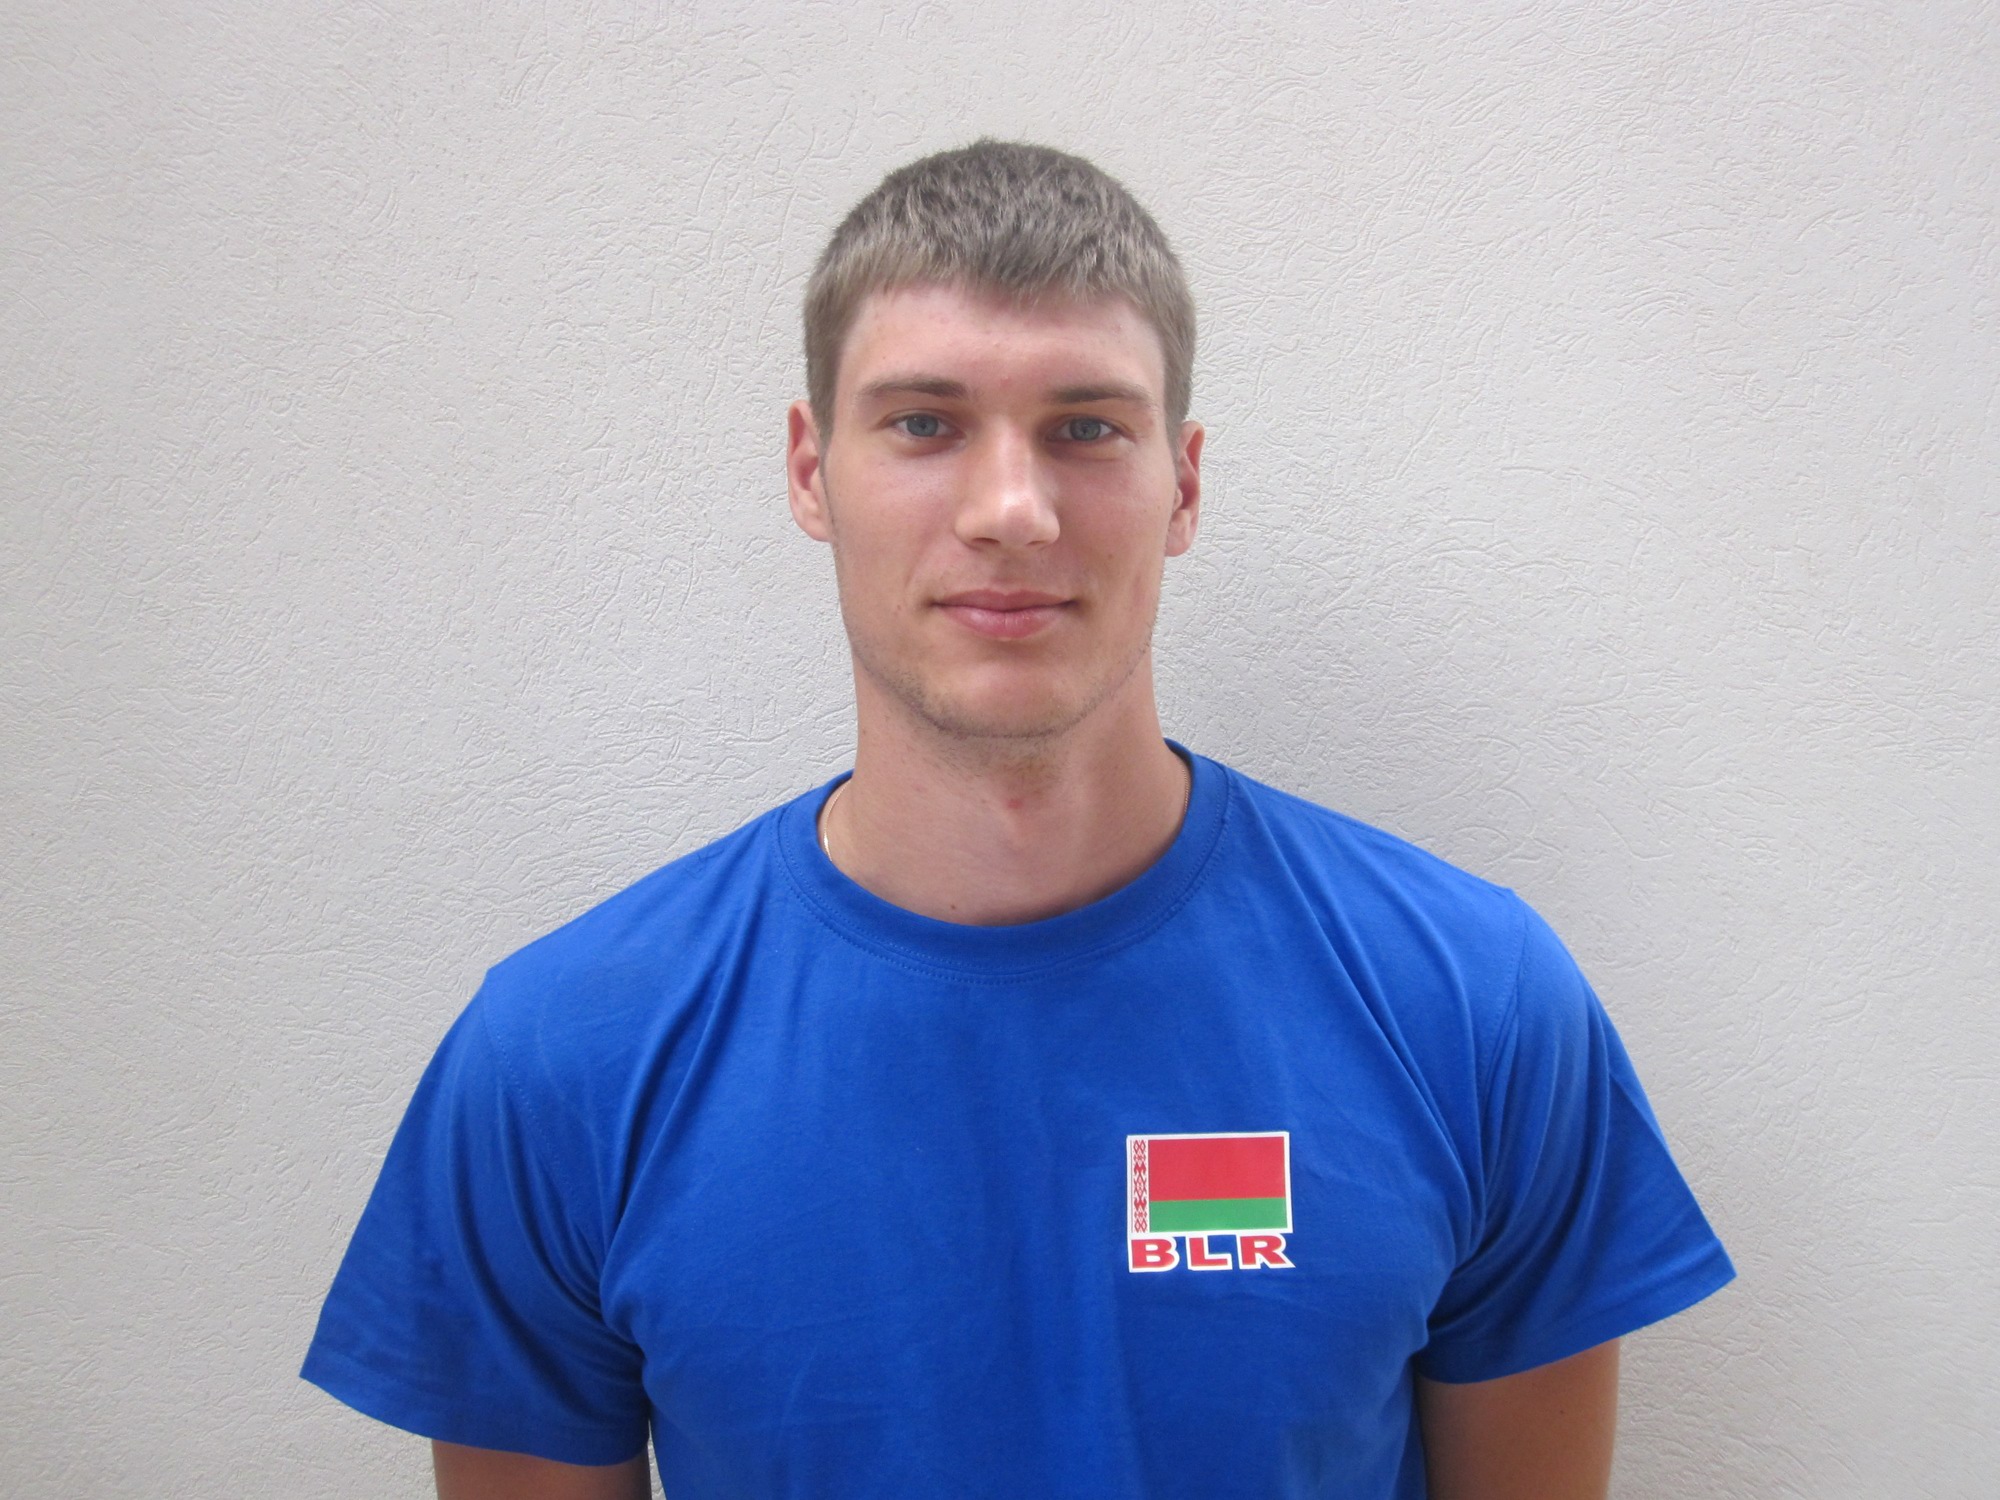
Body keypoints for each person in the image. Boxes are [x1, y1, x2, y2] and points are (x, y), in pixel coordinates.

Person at [302, 140, 1733, 1500]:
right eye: (924, 424)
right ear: (810, 469)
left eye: (1086, 428)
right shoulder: (560, 1060)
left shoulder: (1472, 1005)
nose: (1012, 510)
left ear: (1184, 482)